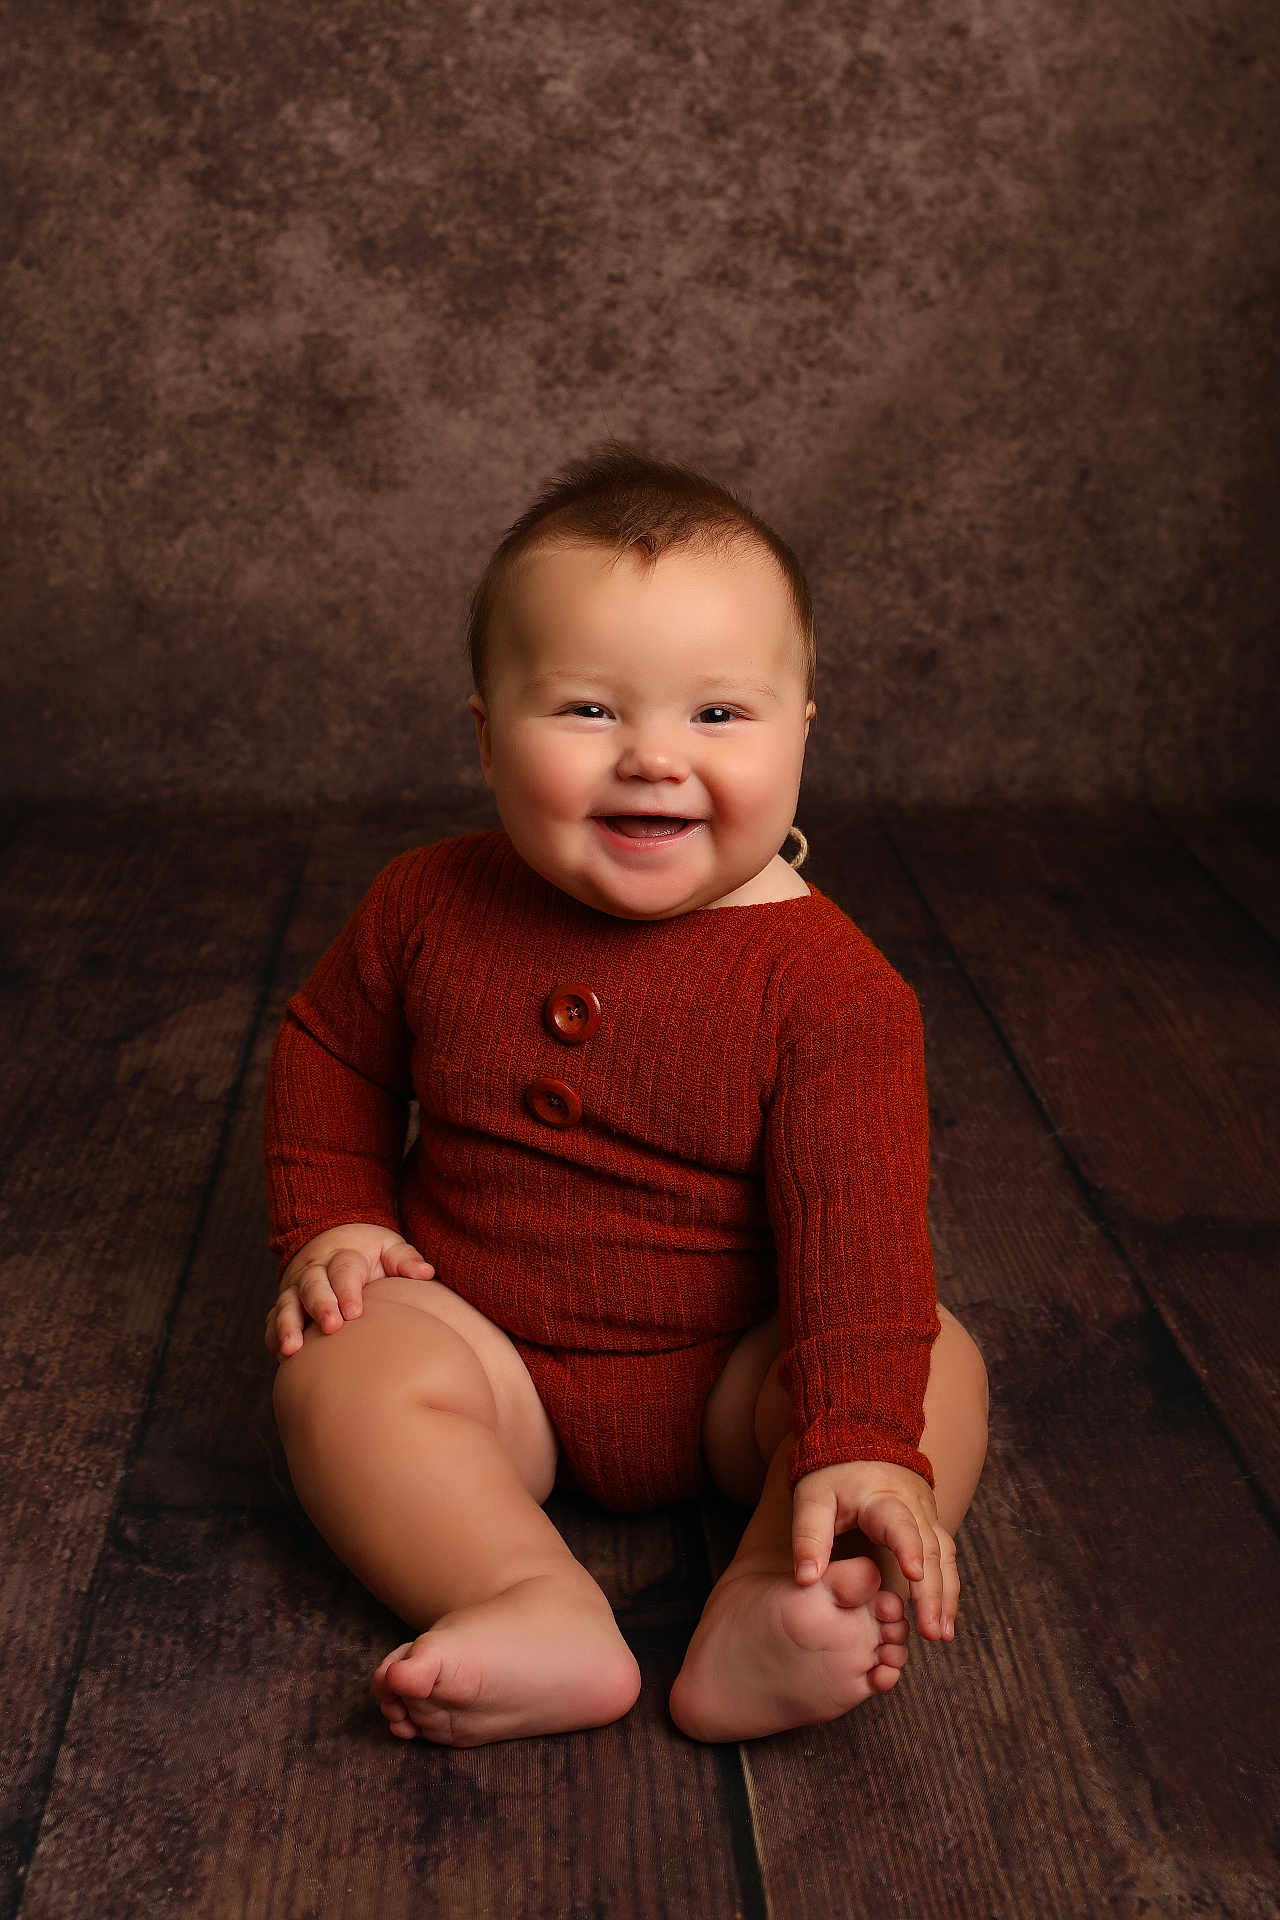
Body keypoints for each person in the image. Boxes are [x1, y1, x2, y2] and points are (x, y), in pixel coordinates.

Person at [264, 446, 989, 1748]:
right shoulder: (424, 905)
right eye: (589, 710)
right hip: (485, 1357)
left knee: (928, 1366)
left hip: (739, 1379)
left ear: (803, 729)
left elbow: (861, 1245)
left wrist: (860, 1435)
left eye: (719, 715)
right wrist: (334, 1218)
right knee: (339, 1365)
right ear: (486, 734)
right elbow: (332, 1052)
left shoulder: (833, 991)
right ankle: (519, 1594)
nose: (654, 757)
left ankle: (778, 1591)